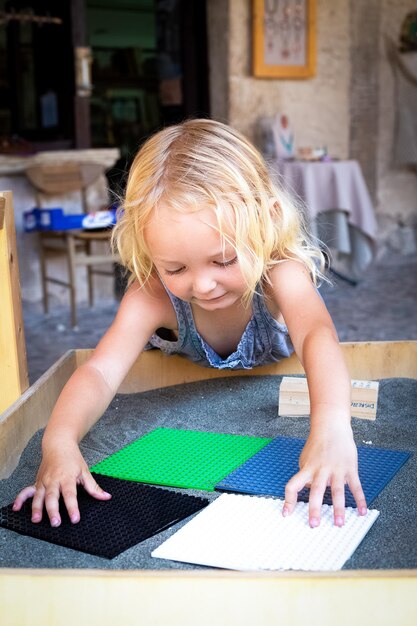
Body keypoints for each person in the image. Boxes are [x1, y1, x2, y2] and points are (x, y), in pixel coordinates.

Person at [13, 119, 367, 529]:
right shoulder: (152, 293)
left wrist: (332, 427)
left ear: (267, 223)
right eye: (176, 267)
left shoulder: (280, 273)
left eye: (223, 260)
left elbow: (316, 336)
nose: (202, 284)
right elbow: (99, 371)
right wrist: (58, 442)